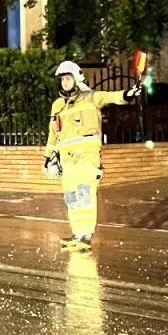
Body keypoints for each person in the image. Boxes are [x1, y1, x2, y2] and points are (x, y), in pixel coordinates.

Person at [44, 61, 142, 251]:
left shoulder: (91, 97)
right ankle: (77, 233)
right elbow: (53, 134)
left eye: (68, 78)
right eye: (62, 79)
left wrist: (127, 94)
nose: (65, 82)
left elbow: (111, 97)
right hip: (67, 160)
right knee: (71, 197)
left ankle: (86, 235)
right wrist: (48, 157)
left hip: (87, 158)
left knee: (85, 195)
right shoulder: (57, 105)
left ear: (76, 79)